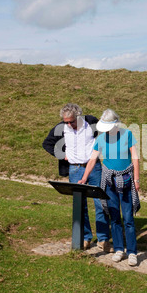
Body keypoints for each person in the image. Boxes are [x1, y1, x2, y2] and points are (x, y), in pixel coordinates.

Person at [42, 103, 112, 252]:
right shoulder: (60, 128)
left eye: (71, 121)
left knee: (101, 203)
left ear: (78, 116)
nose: (68, 124)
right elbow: (47, 143)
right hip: (74, 169)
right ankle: (85, 238)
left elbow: (107, 131)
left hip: (94, 168)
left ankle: (103, 239)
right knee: (80, 206)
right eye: (66, 121)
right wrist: (62, 155)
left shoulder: (91, 121)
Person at [78, 109, 140, 266]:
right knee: (114, 217)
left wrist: (137, 180)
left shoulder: (127, 135)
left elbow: (135, 158)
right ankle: (119, 249)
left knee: (128, 218)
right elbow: (92, 160)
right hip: (109, 182)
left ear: (116, 124)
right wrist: (84, 178)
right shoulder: (100, 138)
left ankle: (132, 252)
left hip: (125, 180)